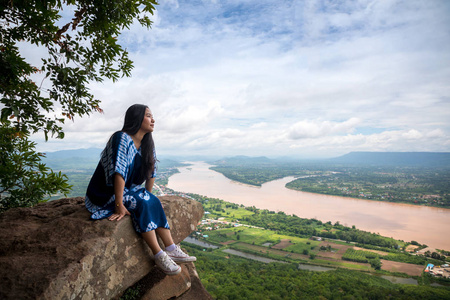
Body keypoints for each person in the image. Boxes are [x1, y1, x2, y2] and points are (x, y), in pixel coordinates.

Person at [85, 104, 195, 275]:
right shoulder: (121, 138)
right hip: (105, 192)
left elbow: (151, 172)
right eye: (149, 116)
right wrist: (119, 204)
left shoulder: (146, 143)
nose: (153, 120)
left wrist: (149, 195)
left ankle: (171, 248)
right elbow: (118, 173)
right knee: (142, 202)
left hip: (129, 188)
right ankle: (158, 254)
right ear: (136, 118)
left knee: (152, 200)